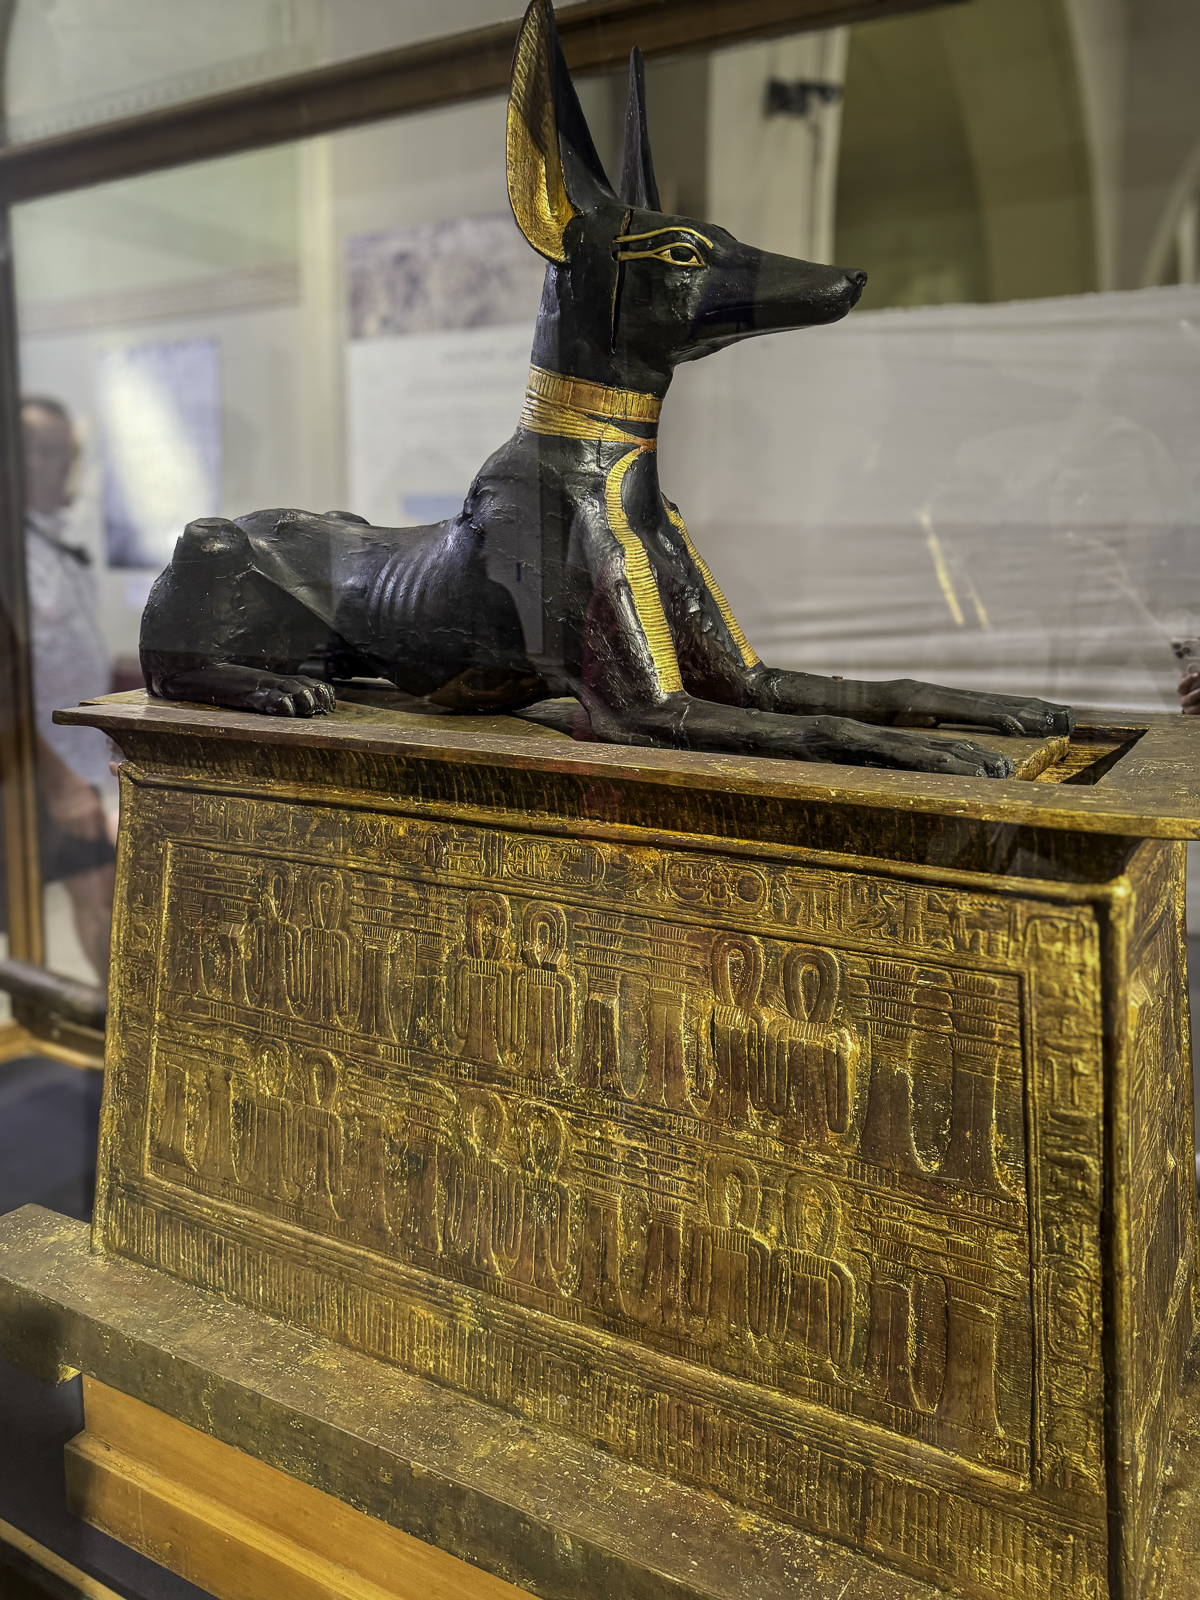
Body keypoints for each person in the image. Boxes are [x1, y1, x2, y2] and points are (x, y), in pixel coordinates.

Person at [20, 396, 115, 981]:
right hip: (34, 761)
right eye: (43, 452)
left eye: (64, 453)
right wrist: (58, 783)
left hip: (82, 754)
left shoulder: (59, 538)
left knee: (107, 891)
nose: (58, 467)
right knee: (99, 893)